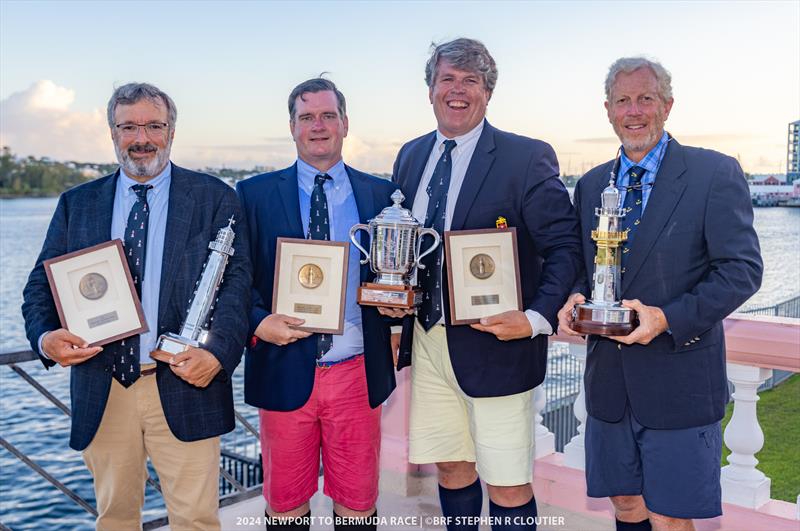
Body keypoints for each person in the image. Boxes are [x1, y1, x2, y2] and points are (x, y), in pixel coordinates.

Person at [21, 82, 252, 530]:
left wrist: (218, 353)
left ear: (171, 131)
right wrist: (46, 339)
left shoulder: (214, 198)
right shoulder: (78, 204)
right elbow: (39, 287)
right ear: (112, 132)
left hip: (186, 383)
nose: (141, 137)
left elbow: (237, 287)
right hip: (104, 389)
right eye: (129, 126)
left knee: (196, 521)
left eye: (153, 125)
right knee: (115, 520)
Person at [558, 57, 763, 531]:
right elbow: (580, 266)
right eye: (623, 100)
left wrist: (664, 318)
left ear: (667, 105)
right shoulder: (590, 186)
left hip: (680, 381)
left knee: (671, 517)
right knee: (626, 506)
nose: (634, 111)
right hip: (608, 384)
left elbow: (742, 271)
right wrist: (571, 296)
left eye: (645, 98)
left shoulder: (714, 174)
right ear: (607, 110)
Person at [386, 38, 581, 530]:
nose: (457, 91)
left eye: (470, 81)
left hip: (497, 345)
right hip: (428, 342)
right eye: (447, 79)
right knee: (450, 466)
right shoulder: (411, 156)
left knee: (508, 481)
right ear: (430, 90)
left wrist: (536, 318)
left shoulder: (526, 157)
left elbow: (565, 248)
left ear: (488, 92)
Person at [236, 78, 398, 531]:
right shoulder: (254, 195)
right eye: (307, 117)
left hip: (356, 371)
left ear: (345, 124)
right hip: (284, 365)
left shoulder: (382, 196)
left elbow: (398, 279)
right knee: (286, 509)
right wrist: (259, 321)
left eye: (328, 115)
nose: (318, 126)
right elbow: (237, 281)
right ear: (292, 127)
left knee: (358, 507)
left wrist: (398, 305)